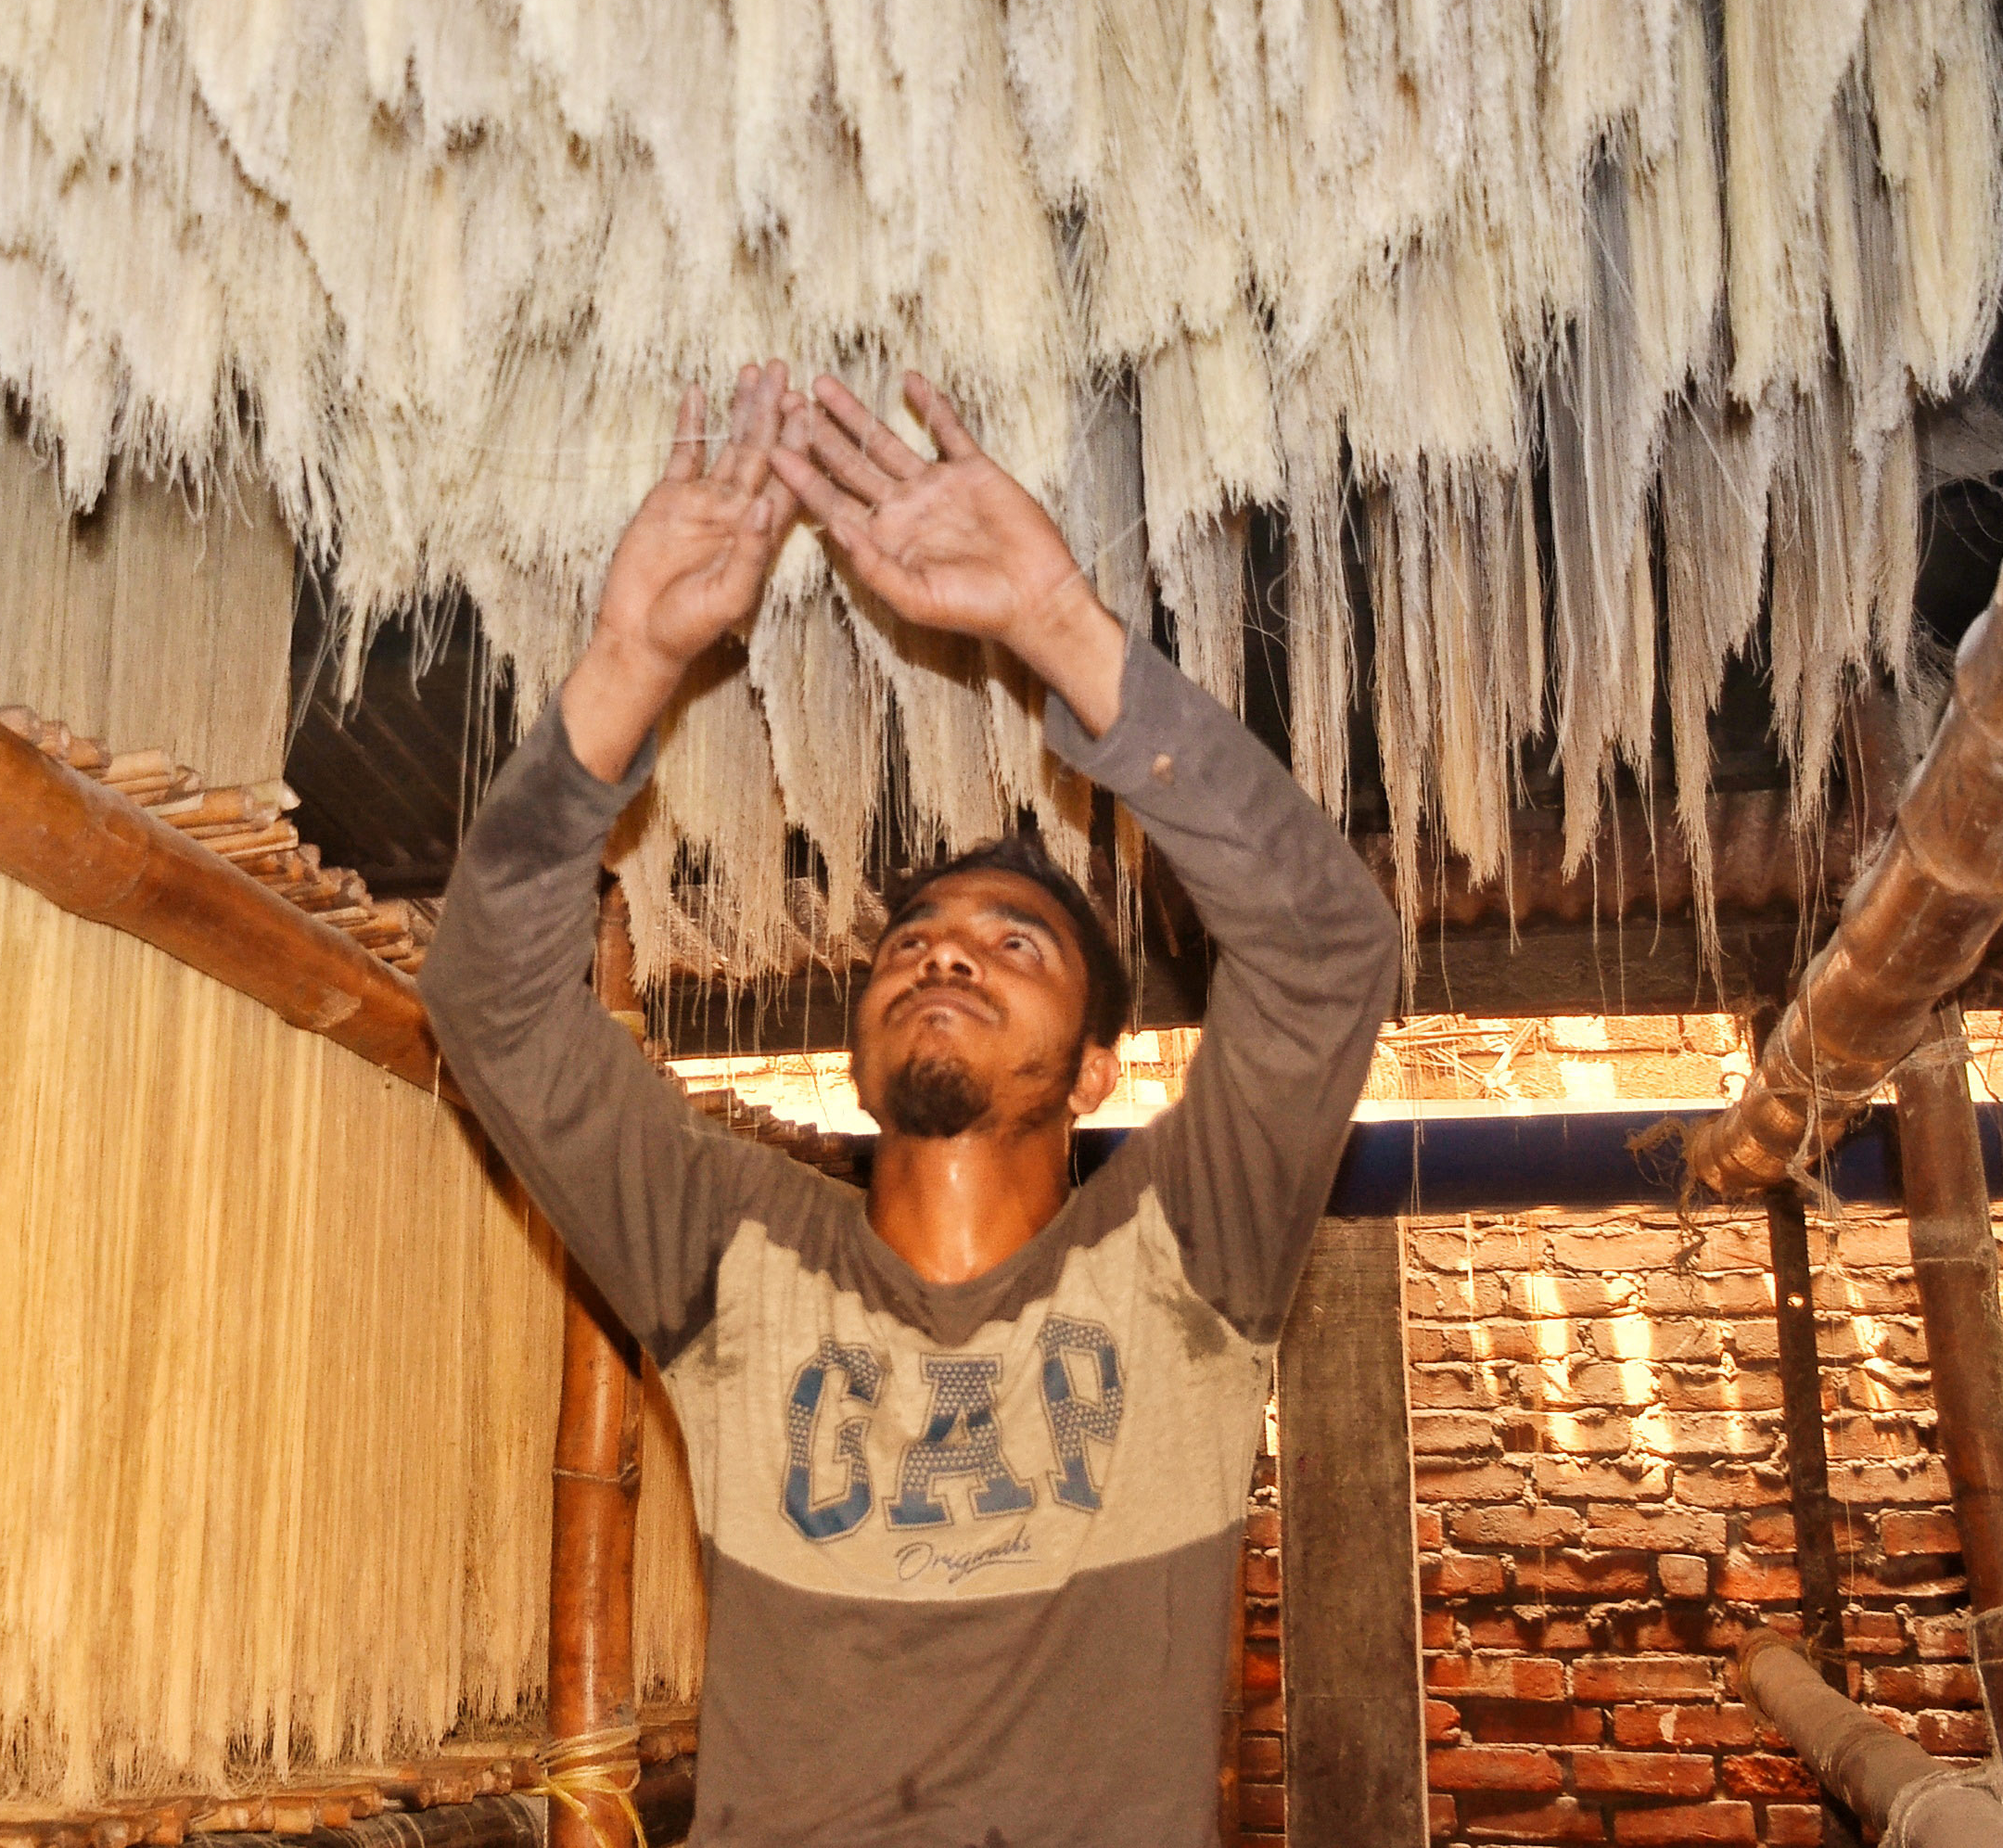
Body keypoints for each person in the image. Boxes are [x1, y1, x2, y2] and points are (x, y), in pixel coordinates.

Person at [420, 361, 1402, 1846]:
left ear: (1094, 1070)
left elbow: (1327, 955)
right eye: (914, 941)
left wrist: (1061, 630)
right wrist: (627, 658)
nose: (943, 948)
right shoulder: (728, 1252)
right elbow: (490, 1002)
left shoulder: (1188, 1256)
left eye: (1018, 945)